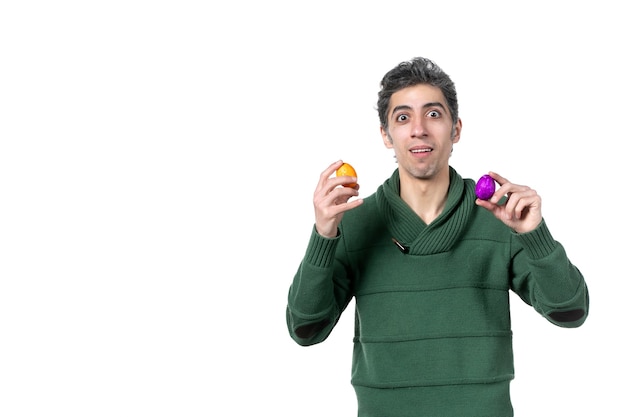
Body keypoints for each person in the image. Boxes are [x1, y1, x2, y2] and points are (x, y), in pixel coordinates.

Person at [285, 57, 589, 416]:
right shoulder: (354, 221)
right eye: (402, 118)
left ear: (455, 129)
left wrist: (535, 235)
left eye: (433, 114)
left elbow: (570, 311)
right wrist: (323, 234)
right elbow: (305, 329)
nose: (418, 129)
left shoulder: (499, 215)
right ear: (385, 135)